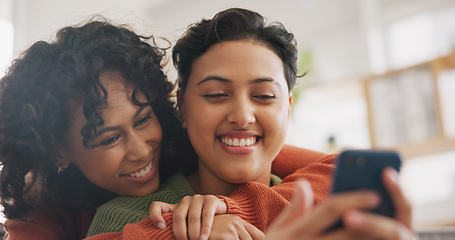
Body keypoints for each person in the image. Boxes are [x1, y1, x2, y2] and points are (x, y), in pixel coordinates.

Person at [86, 7, 418, 240]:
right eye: (217, 94)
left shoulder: (333, 208)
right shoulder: (127, 220)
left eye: (263, 96)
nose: (242, 116)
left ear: (288, 108)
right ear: (183, 107)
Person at [0, 18, 330, 240]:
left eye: (143, 119)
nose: (242, 116)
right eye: (109, 138)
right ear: (184, 106)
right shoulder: (57, 212)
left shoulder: (320, 188)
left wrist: (230, 209)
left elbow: (338, 167)